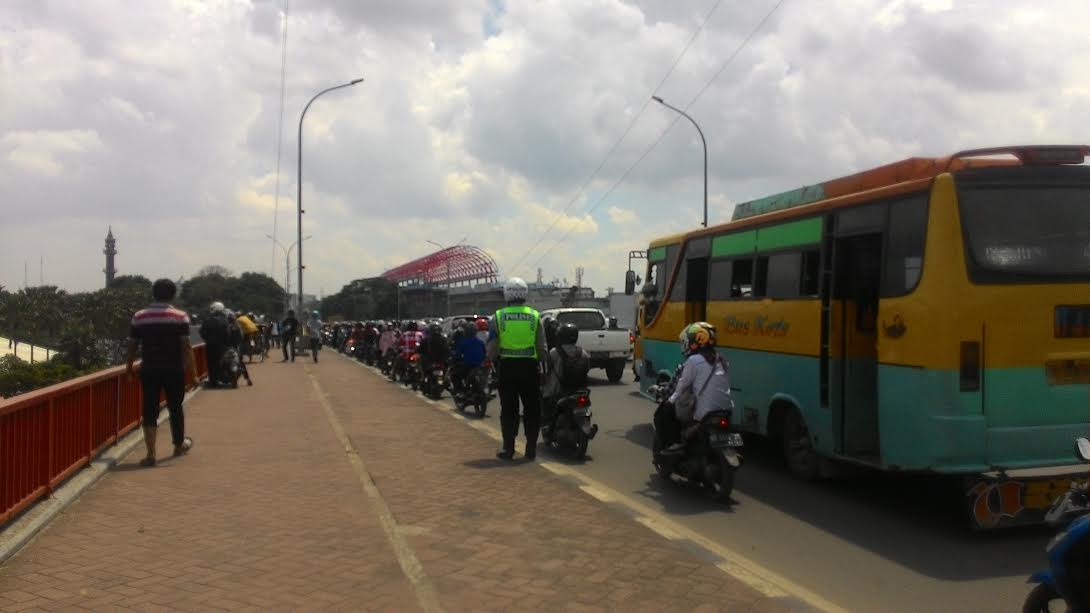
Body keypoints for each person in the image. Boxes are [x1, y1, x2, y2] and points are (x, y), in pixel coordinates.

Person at [126, 279, 196, 467]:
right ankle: (178, 445)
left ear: (153, 293)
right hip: (174, 369)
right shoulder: (180, 316)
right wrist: (193, 373)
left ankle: (151, 454)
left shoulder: (140, 316)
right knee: (175, 408)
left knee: (149, 410)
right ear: (173, 295)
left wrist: (129, 368)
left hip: (149, 369)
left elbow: (132, 345)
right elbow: (186, 347)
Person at [487, 277, 547, 461]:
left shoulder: (498, 317)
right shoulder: (535, 316)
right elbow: (542, 347)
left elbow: (492, 347)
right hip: (530, 368)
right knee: (532, 409)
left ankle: (509, 449)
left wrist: (492, 362)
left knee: (509, 410)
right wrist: (541, 364)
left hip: (507, 368)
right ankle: (531, 449)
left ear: (507, 294)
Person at [655, 322, 733, 452]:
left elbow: (679, 387)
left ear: (696, 341)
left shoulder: (693, 361)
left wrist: (669, 400)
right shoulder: (722, 360)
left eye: (687, 342)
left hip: (704, 414)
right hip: (727, 410)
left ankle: (674, 444)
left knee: (667, 411)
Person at [542, 322, 591, 422]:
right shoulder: (583, 353)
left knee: (545, 410)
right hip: (579, 391)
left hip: (557, 392)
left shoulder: (554, 352)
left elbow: (547, 370)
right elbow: (586, 369)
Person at [199, 301, 229, 386]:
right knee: (220, 362)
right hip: (221, 345)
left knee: (211, 363)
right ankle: (220, 379)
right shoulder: (224, 320)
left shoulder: (208, 320)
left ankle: (213, 381)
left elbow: (202, 331)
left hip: (210, 345)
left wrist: (207, 339)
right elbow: (227, 333)